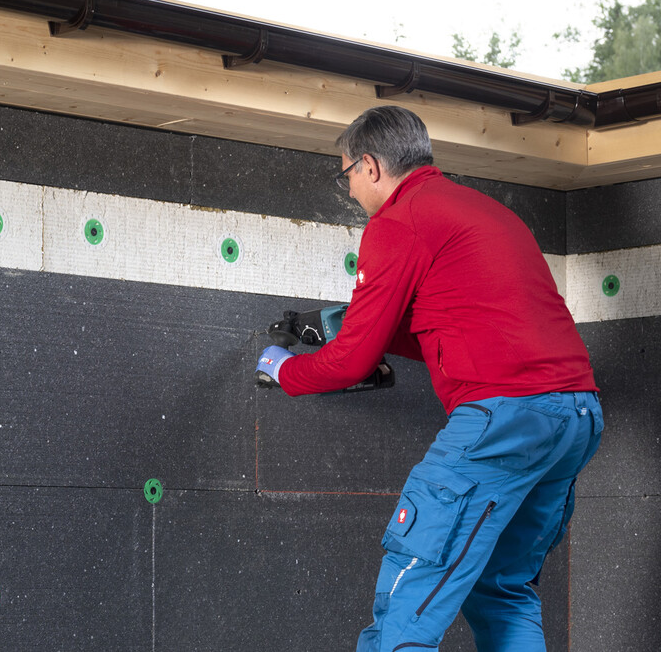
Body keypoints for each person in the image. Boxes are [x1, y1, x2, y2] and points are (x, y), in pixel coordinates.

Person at [254, 106, 602, 651]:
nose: (347, 190)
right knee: (501, 589)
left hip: (505, 418)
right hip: (576, 417)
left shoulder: (398, 220)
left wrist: (286, 369)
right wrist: (372, 330)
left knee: (411, 591)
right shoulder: (487, 213)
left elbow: (350, 363)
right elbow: (459, 329)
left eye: (345, 173)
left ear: (370, 166)